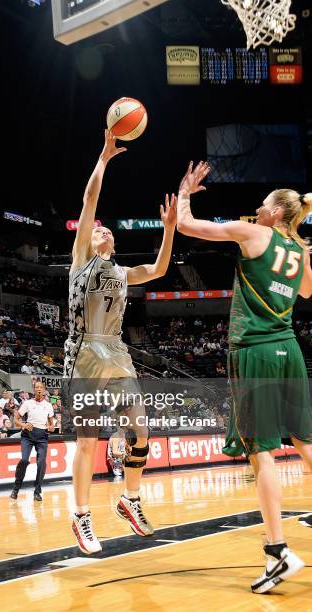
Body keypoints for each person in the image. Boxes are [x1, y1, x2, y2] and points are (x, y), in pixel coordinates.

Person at [176, 160, 312, 594]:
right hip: (290, 349)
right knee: (305, 441)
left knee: (263, 451)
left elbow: (186, 226)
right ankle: (277, 550)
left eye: (264, 204)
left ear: (274, 213)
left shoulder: (254, 232)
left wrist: (184, 191)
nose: (258, 207)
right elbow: (307, 291)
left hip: (255, 351)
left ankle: (278, 552)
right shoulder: (299, 249)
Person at [64, 130, 177, 554]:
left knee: (140, 429)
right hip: (84, 352)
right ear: (89, 240)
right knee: (89, 439)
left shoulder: (123, 273)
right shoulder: (81, 261)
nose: (104, 230)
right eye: (98, 231)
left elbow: (161, 269)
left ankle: (129, 501)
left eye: (107, 231)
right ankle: (81, 516)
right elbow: (89, 201)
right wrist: (105, 158)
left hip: (115, 349)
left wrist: (168, 230)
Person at [10, 381, 54, 501]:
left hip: (42, 437)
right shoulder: (28, 403)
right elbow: (16, 419)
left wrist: (51, 426)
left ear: (44, 390)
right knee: (24, 460)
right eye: (37, 387)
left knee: (41, 463)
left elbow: (51, 423)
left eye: (41, 387)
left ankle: (37, 491)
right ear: (34, 390)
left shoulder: (48, 405)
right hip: (28, 435)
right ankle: (16, 488)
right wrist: (24, 425)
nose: (39, 389)